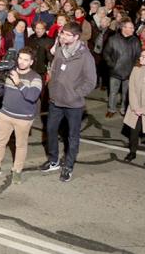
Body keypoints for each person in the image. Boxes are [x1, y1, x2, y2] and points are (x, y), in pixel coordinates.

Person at [39, 21, 97, 182]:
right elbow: (54, 70)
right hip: (55, 100)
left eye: (66, 34)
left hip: (74, 104)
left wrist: (75, 94)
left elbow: (91, 81)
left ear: (76, 37)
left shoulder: (85, 56)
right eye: (62, 33)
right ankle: (53, 160)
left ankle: (68, 166)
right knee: (50, 130)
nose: (62, 36)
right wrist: (51, 89)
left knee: (72, 136)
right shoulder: (59, 50)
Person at [0, 47, 42, 183]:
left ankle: (17, 170)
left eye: (25, 60)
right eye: (20, 58)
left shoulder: (35, 77)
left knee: (20, 145)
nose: (21, 62)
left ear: (31, 62)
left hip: (23, 118)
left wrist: (18, 82)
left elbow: (32, 96)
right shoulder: (10, 72)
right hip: (5, 114)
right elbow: (2, 92)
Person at [103, 19, 142, 118]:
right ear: (123, 28)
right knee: (113, 92)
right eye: (130, 27)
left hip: (129, 72)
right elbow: (106, 54)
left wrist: (134, 69)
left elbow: (138, 56)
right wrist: (112, 65)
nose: (133, 30)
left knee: (127, 93)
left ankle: (124, 109)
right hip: (115, 71)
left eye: (133, 28)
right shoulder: (113, 39)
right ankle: (111, 109)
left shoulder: (135, 40)